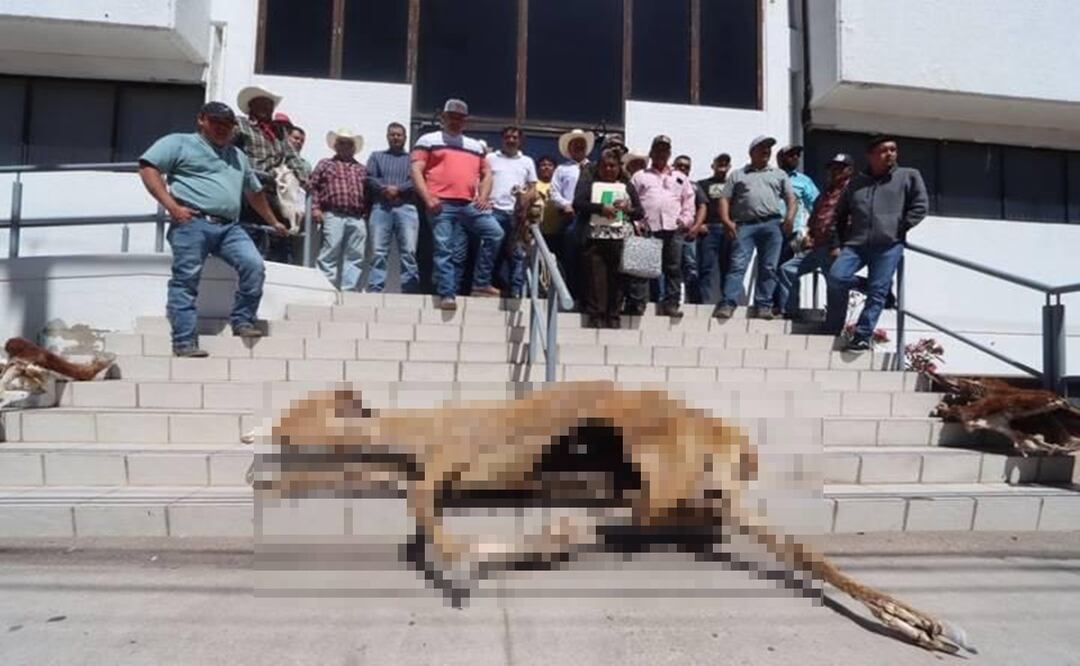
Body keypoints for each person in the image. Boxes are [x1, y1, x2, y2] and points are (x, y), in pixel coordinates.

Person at [137, 102, 288, 358]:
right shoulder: (179, 142)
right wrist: (172, 207)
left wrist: (273, 221)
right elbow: (148, 167)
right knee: (186, 281)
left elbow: (254, 192)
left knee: (254, 265)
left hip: (230, 227)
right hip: (192, 223)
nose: (221, 128)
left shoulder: (238, 155)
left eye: (227, 124)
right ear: (201, 120)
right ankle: (184, 341)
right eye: (216, 122)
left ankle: (243, 320)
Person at [826, 136, 929, 351]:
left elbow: (920, 206)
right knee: (836, 277)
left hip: (888, 245)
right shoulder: (856, 183)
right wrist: (837, 244)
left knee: (877, 292)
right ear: (871, 155)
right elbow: (839, 215)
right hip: (856, 244)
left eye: (893, 149)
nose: (890, 154)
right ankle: (839, 321)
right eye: (884, 150)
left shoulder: (908, 176)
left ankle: (862, 336)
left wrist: (899, 227)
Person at [410, 99, 504, 311]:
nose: (455, 121)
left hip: (468, 204)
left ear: (465, 121)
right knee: (444, 248)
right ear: (443, 118)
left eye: (460, 118)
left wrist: (483, 196)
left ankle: (481, 283)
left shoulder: (474, 146)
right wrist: (427, 198)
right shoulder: (428, 140)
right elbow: (416, 170)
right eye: (451, 117)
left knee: (495, 233)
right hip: (441, 203)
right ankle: (447, 294)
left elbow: (487, 173)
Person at [714, 135, 797, 320]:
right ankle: (728, 303)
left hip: (772, 225)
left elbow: (791, 198)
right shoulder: (738, 174)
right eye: (762, 147)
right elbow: (724, 199)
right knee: (737, 265)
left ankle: (764, 305)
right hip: (745, 225)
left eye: (769, 147)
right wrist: (726, 220)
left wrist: (790, 218)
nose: (766, 150)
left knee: (769, 267)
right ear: (752, 152)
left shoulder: (779, 174)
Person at [233, 86, 310, 264]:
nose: (266, 108)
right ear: (251, 106)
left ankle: (276, 267)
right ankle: (248, 265)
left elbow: (291, 156)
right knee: (251, 230)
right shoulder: (241, 124)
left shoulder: (278, 131)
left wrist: (304, 178)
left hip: (275, 188)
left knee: (278, 233)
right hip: (251, 186)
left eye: (269, 105)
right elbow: (227, 146)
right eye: (262, 104)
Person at [776, 153, 854, 320]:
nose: (834, 172)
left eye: (839, 169)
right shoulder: (826, 193)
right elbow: (815, 217)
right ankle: (790, 311)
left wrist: (839, 244)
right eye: (832, 169)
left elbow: (852, 221)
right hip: (817, 246)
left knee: (835, 285)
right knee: (787, 269)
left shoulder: (853, 192)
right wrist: (809, 234)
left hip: (837, 248)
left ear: (849, 170)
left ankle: (834, 325)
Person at [574, 149, 644, 329]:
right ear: (599, 168)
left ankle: (613, 315)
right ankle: (596, 315)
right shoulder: (590, 185)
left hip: (621, 239)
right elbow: (578, 203)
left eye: (612, 166)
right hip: (595, 238)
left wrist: (628, 209)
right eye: (604, 166)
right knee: (595, 277)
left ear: (619, 168)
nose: (608, 169)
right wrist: (600, 208)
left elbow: (640, 212)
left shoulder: (627, 186)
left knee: (618, 279)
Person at [630, 135, 696, 319]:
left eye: (665, 150)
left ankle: (671, 304)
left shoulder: (680, 177)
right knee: (642, 267)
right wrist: (636, 222)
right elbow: (632, 200)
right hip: (647, 227)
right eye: (658, 150)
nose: (661, 153)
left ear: (669, 153)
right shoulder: (640, 176)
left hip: (673, 227)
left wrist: (685, 220)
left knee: (673, 268)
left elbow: (688, 201)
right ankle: (638, 303)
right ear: (651, 153)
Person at [308, 128, 368, 292]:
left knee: (356, 255)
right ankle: (325, 289)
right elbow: (313, 187)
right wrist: (315, 208)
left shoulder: (362, 169)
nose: (345, 146)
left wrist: (367, 213)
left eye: (348, 143)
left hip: (357, 216)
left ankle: (349, 290)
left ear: (353, 147)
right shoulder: (325, 164)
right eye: (341, 143)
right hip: (333, 214)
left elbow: (368, 192)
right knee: (329, 253)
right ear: (335, 145)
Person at [365, 122, 420, 293]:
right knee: (378, 251)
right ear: (387, 136)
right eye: (392, 134)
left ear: (405, 137)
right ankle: (375, 289)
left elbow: (418, 180)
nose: (395, 137)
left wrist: (399, 189)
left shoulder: (413, 159)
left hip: (407, 208)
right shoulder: (376, 156)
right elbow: (369, 178)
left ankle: (409, 290)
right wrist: (385, 189)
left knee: (409, 251)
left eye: (399, 135)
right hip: (381, 208)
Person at [486, 126, 538, 298]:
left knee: (517, 254)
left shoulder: (527, 161)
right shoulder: (490, 158)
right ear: (502, 139)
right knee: (492, 251)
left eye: (515, 137)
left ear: (520, 140)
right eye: (508, 137)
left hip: (517, 215)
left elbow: (533, 188)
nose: (511, 140)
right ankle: (488, 286)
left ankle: (516, 291)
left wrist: (524, 201)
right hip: (493, 211)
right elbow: (482, 180)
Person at [773, 144, 820, 315]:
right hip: (770, 231)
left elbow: (817, 206)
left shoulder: (804, 181)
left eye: (797, 155)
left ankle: (787, 307)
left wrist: (812, 232)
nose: (795, 158)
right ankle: (768, 304)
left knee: (788, 268)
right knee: (770, 268)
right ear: (780, 159)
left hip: (792, 232)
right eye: (790, 155)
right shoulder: (771, 177)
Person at [551, 129, 596, 304]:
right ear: (569, 148)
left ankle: (588, 298)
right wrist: (565, 204)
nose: (578, 146)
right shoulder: (562, 169)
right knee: (571, 258)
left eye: (581, 144)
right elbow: (554, 192)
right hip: (571, 217)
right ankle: (572, 295)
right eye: (575, 144)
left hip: (592, 218)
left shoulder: (595, 168)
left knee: (591, 260)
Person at [693, 153, 732, 305]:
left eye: (726, 163)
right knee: (706, 267)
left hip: (728, 230)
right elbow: (695, 205)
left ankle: (726, 302)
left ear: (729, 166)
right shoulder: (702, 184)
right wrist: (698, 223)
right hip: (709, 230)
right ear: (712, 166)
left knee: (728, 267)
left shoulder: (734, 184)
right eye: (719, 162)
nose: (722, 165)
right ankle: (704, 302)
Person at [673, 154, 706, 304]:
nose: (683, 168)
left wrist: (696, 226)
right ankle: (664, 298)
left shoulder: (694, 186)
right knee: (668, 266)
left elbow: (702, 206)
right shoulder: (665, 181)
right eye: (679, 165)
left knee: (691, 266)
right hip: (668, 232)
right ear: (673, 166)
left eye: (686, 167)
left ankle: (694, 302)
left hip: (687, 234)